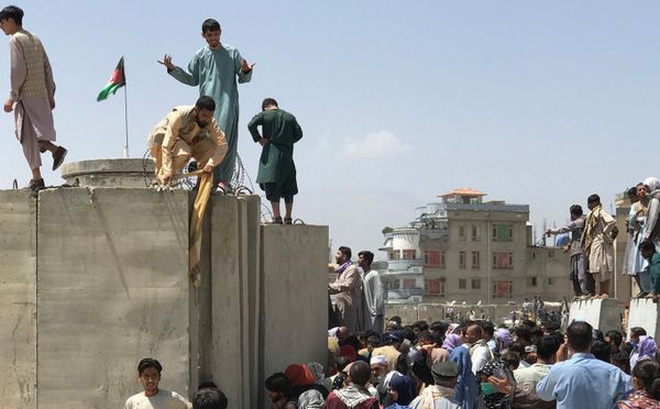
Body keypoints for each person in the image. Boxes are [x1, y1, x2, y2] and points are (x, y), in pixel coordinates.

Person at [159, 18, 254, 193]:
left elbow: (243, 77)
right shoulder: (200, 55)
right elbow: (192, 79)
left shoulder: (232, 52)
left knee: (224, 140)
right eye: (210, 35)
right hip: (205, 108)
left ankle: (223, 181)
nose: (213, 38)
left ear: (220, 33)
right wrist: (172, 69)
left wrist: (246, 70)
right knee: (204, 142)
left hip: (227, 104)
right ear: (203, 35)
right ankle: (204, 178)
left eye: (216, 34)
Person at [0, 5, 67, 190]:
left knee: (25, 136)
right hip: (41, 94)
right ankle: (55, 150)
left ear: (10, 21)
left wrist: (11, 98)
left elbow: (17, 71)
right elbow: (47, 67)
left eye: (2, 23)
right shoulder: (35, 39)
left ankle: (37, 178)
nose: (1, 27)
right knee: (33, 135)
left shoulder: (15, 41)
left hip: (26, 97)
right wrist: (50, 93)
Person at [536, 321, 632, 409]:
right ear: (591, 342)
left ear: (568, 343)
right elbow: (633, 389)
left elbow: (544, 394)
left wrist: (558, 362)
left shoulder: (559, 369)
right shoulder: (613, 371)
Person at [147, 96, 227, 185]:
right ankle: (163, 180)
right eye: (204, 115)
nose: (206, 119)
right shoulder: (178, 116)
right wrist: (168, 170)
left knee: (211, 147)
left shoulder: (210, 122)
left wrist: (210, 164)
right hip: (167, 138)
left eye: (210, 116)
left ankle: (200, 185)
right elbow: (167, 145)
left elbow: (222, 145)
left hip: (189, 141)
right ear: (196, 111)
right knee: (183, 153)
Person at [247, 97, 303, 224]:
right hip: (287, 155)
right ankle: (288, 217)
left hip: (271, 153)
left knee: (272, 185)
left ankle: (276, 217)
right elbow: (299, 134)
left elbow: (251, 125)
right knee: (289, 185)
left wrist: (259, 139)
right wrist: (287, 141)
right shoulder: (290, 117)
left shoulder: (265, 115)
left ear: (265, 107)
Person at [547, 204, 593, 298]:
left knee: (580, 274)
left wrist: (551, 231)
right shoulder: (584, 221)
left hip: (579, 251)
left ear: (572, 214)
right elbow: (577, 238)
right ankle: (581, 292)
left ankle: (584, 292)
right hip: (577, 251)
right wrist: (568, 246)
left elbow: (563, 229)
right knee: (577, 274)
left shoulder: (578, 222)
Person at [581, 194, 618, 298]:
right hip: (593, 243)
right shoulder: (590, 215)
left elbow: (611, 222)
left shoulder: (600, 212)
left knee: (604, 267)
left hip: (601, 242)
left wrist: (604, 234)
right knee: (595, 268)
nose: (589, 205)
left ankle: (604, 292)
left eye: (590, 203)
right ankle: (598, 292)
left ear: (595, 203)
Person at [124, 358, 191, 409]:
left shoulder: (172, 398)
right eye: (146, 376)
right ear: (140, 377)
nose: (150, 380)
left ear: (159, 377)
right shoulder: (132, 402)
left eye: (154, 375)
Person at [623, 185, 651, 296]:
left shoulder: (652, 203)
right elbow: (631, 222)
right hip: (638, 237)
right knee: (638, 263)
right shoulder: (635, 206)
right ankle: (645, 289)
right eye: (640, 190)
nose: (642, 191)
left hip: (650, 235)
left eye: (644, 189)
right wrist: (637, 215)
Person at [329, 246, 365, 334]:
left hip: (349, 308)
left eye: (338, 254)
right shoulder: (342, 270)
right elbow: (336, 287)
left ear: (344, 256)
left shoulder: (352, 269)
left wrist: (329, 285)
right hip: (341, 306)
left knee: (349, 332)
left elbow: (347, 285)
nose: (336, 256)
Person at [357, 250, 385, 334]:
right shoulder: (362, 275)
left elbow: (378, 292)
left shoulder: (374, 274)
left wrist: (377, 310)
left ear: (366, 261)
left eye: (361, 258)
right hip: (365, 312)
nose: (358, 260)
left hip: (373, 312)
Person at [642, 177, 660, 253]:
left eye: (647, 187)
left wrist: (647, 234)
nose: (645, 189)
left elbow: (653, 217)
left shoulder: (655, 200)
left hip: (656, 235)